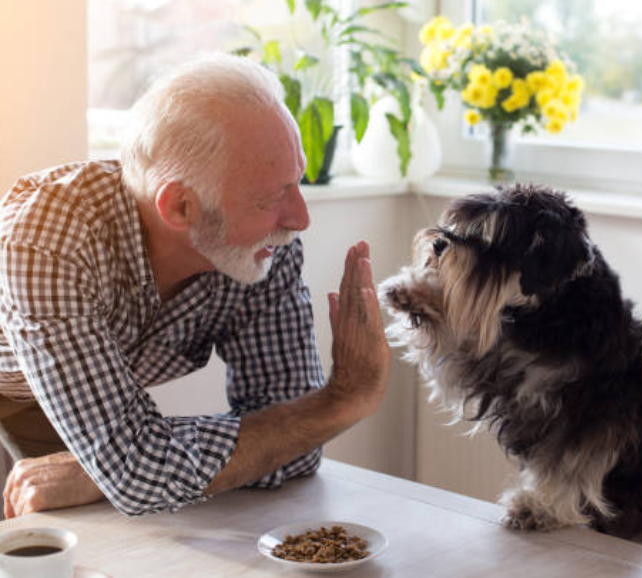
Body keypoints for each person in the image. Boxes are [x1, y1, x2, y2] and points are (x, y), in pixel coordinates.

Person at [0, 53, 390, 518]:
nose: (299, 219)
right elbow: (138, 473)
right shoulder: (48, 240)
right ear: (180, 207)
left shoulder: (265, 247)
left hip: (84, 392)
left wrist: (120, 466)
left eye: (297, 182)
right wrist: (344, 400)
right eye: (269, 199)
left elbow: (297, 447)